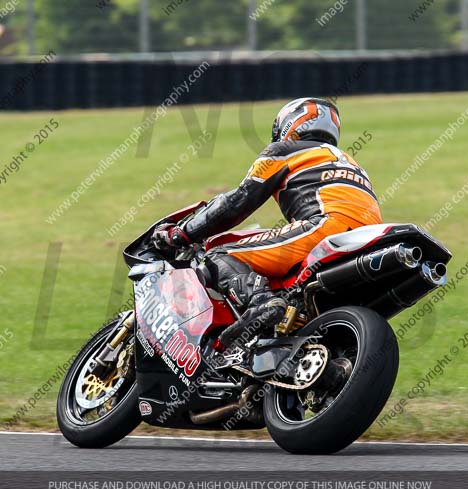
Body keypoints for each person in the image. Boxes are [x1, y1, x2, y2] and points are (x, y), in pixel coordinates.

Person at [152, 97, 382, 351]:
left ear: (290, 124)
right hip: (367, 239)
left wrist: (183, 232)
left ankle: (261, 303)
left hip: (325, 227)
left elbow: (238, 202)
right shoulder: (351, 163)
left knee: (219, 255)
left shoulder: (285, 151)